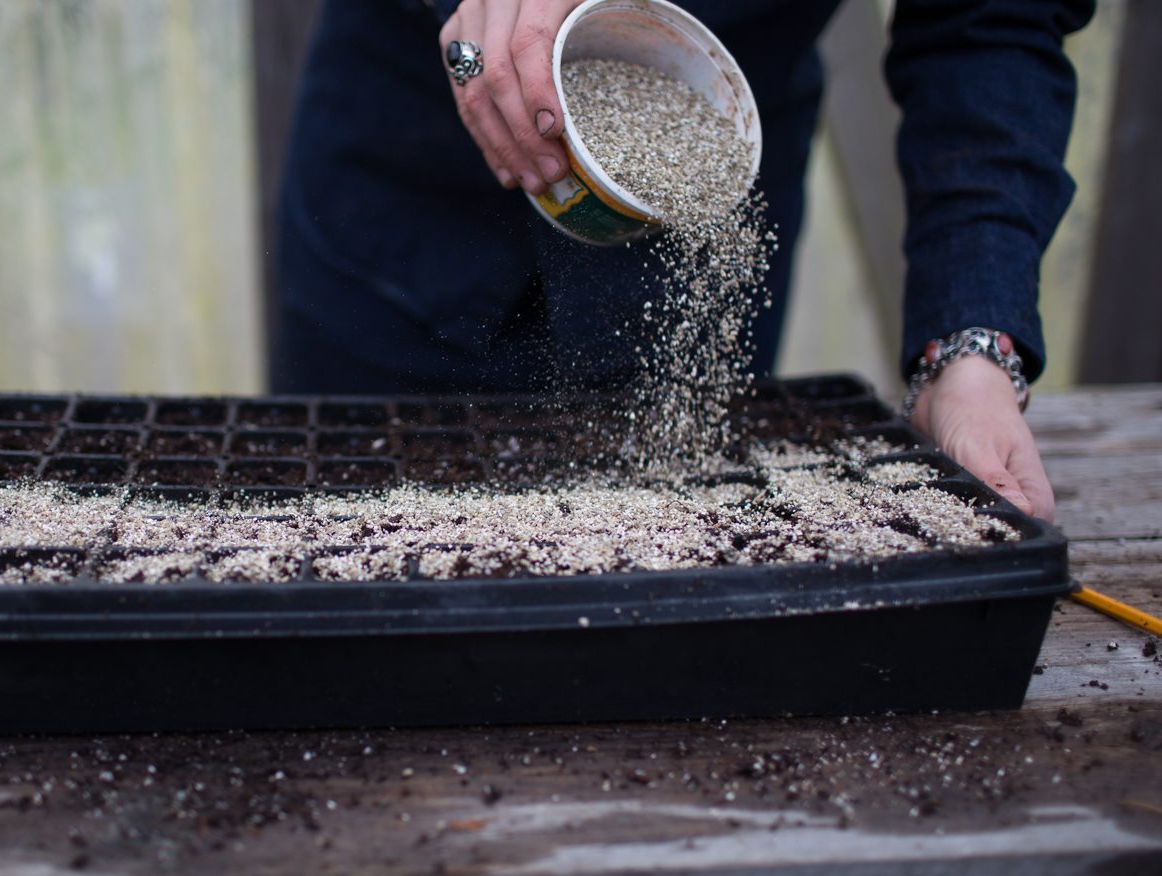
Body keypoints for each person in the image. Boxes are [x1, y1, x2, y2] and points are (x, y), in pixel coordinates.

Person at [273, 0, 1093, 522]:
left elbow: (989, 19)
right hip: (408, 204)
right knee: (356, 552)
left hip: (699, 206)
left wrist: (972, 346)